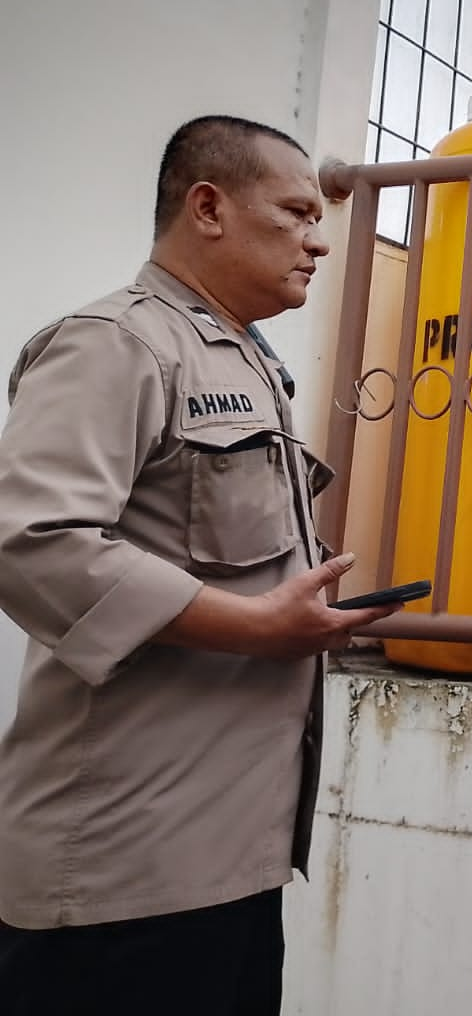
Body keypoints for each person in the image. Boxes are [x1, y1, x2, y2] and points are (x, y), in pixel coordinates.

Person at [0, 116, 401, 1015]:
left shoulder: (247, 362)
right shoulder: (118, 343)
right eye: (296, 213)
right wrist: (255, 627)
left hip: (230, 856)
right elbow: (29, 538)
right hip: (122, 875)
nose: (320, 240)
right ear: (209, 208)